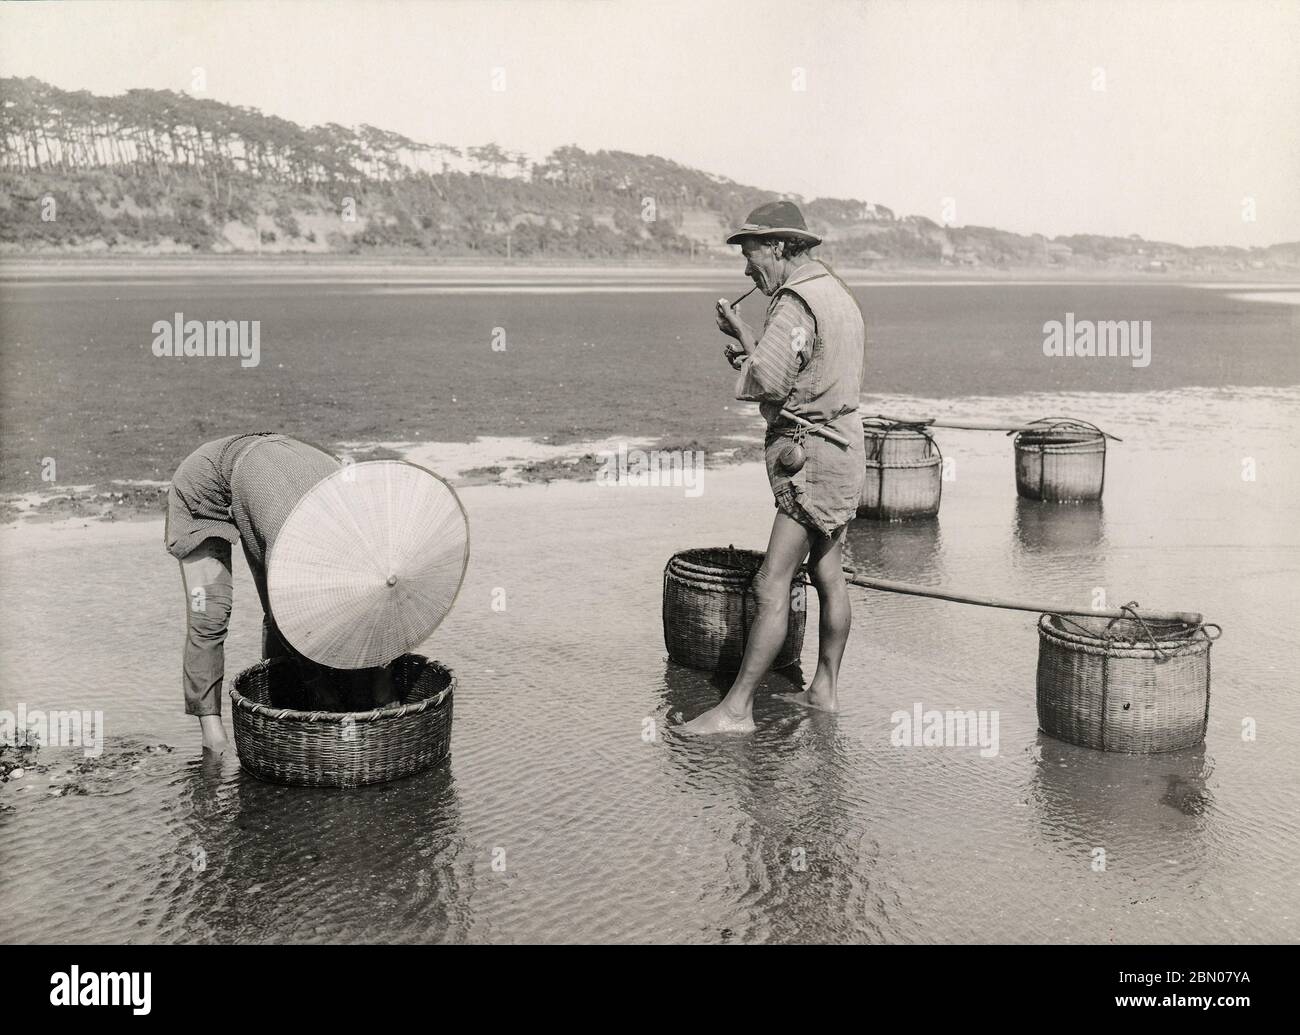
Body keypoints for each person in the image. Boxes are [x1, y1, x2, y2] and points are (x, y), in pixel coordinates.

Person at [681, 201, 866, 734]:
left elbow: (770, 383)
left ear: (780, 247)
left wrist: (748, 357)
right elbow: (803, 369)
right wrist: (746, 337)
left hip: (810, 463)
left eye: (751, 251)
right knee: (828, 574)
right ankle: (824, 691)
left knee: (770, 582)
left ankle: (736, 710)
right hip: (845, 451)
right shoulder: (834, 293)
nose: (745, 267)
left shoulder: (794, 302)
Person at [164, 433, 395, 754]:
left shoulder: (356, 525)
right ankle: (213, 740)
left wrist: (383, 689)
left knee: (296, 615)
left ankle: (282, 706)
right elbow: (288, 614)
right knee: (210, 614)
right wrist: (326, 694)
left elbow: (373, 610)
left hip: (270, 472)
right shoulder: (294, 542)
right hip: (205, 487)